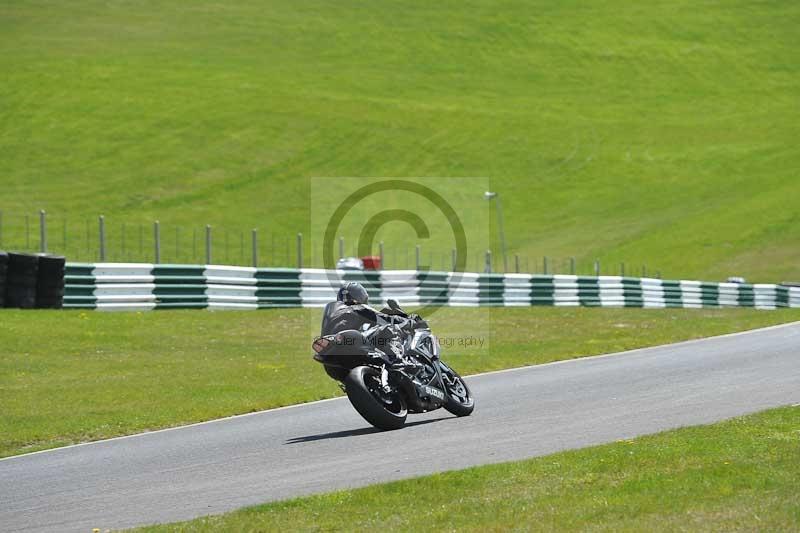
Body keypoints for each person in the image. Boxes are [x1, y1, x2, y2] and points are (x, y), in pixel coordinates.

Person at [321, 282, 412, 367]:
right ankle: (398, 361)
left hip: (329, 355)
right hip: (350, 343)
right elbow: (386, 319)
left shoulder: (332, 310)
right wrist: (407, 321)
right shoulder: (358, 308)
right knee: (388, 329)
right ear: (361, 296)